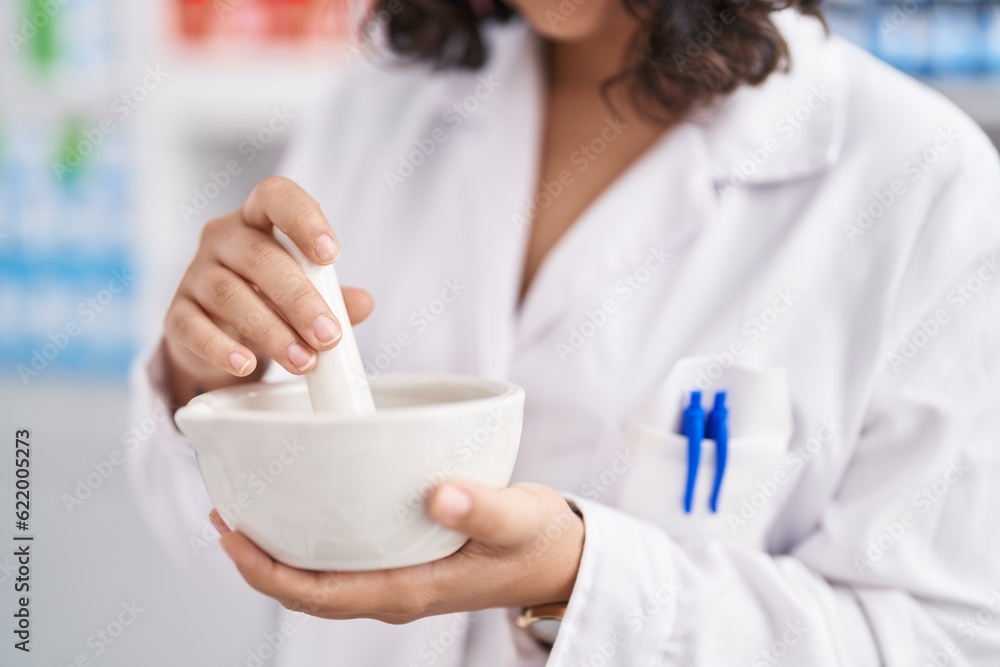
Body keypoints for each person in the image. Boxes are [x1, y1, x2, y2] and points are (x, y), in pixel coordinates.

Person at [129, 0, 1000, 664]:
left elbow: (939, 638)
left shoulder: (925, 187)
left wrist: (582, 581)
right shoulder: (374, 114)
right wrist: (204, 374)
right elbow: (202, 540)